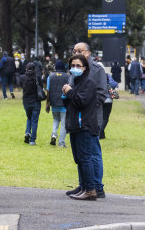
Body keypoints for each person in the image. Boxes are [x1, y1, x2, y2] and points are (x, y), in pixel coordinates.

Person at [66, 43, 107, 199]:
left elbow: (101, 94)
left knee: (92, 153)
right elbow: (73, 92)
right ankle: (84, 184)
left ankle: (96, 186)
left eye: (80, 51)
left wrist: (86, 108)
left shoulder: (97, 70)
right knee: (81, 155)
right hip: (76, 117)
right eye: (74, 51)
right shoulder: (75, 73)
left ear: (88, 53)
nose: (76, 53)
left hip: (90, 118)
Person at [63, 54, 99, 200]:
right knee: (78, 158)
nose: (75, 68)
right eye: (73, 66)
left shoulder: (88, 82)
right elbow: (70, 103)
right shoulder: (75, 81)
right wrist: (66, 94)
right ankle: (83, 186)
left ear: (85, 68)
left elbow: (81, 101)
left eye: (78, 66)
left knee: (85, 158)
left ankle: (90, 189)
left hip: (84, 125)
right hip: (74, 125)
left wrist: (69, 92)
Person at [46, 60, 69, 147]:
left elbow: (48, 91)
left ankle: (54, 134)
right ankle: (61, 143)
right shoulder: (67, 76)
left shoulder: (50, 77)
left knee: (55, 119)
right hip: (64, 103)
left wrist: (47, 103)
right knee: (63, 123)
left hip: (54, 102)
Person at [21, 62, 42, 146]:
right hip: (36, 101)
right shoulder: (37, 78)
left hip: (26, 101)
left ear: (26, 68)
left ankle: (27, 132)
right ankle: (32, 139)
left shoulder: (23, 77)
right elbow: (41, 87)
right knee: (35, 120)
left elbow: (21, 85)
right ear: (34, 69)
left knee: (29, 117)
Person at [101, 66, 118, 139]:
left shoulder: (93, 76)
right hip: (108, 99)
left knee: (99, 117)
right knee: (105, 118)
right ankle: (99, 133)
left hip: (98, 99)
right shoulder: (107, 75)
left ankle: (101, 134)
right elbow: (114, 84)